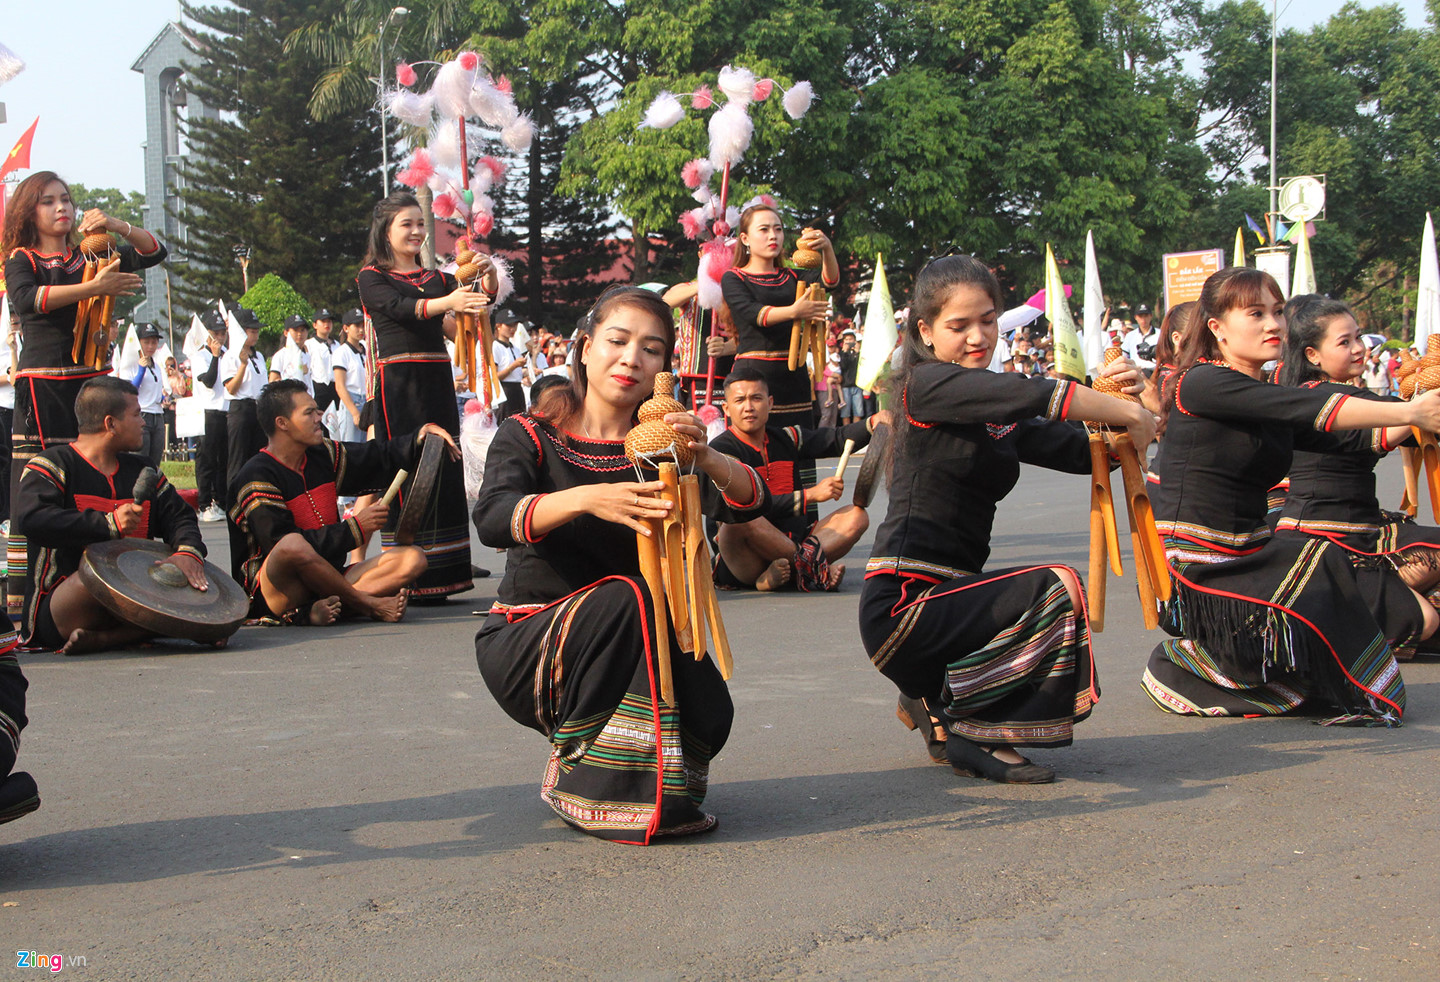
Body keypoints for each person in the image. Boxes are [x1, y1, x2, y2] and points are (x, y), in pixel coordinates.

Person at [473, 286, 768, 843]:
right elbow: (492, 518)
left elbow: (751, 501)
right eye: (618, 340)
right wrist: (587, 498)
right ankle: (587, 779)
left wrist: (704, 456)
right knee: (628, 598)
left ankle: (648, 782)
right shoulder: (531, 435)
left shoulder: (661, 450)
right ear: (585, 348)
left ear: (664, 367)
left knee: (710, 709)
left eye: (652, 349)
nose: (632, 357)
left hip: (638, 640)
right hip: (532, 645)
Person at [858, 255, 1156, 784]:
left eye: (989, 320)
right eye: (959, 325)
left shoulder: (995, 410)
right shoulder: (923, 387)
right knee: (1055, 587)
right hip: (904, 607)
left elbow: (1091, 452)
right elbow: (1037, 392)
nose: (979, 336)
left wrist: (1135, 399)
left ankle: (938, 698)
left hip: (960, 605)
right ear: (924, 331)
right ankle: (975, 730)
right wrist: (1126, 415)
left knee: (1040, 588)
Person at [1142, 268, 1440, 723]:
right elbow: (1310, 408)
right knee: (1320, 563)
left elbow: (1342, 437)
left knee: (1323, 570)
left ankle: (1294, 671)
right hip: (1200, 562)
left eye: (1278, 312)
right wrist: (1413, 408)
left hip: (1249, 549)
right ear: (1217, 328)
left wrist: (1418, 413)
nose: (1273, 324)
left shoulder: (1259, 393)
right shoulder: (1201, 383)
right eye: (1256, 313)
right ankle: (1192, 664)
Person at [1, 171, 167, 618]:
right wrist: (95, 288)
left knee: (90, 479)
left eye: (67, 200)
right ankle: (22, 603)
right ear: (29, 210)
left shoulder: (91, 255)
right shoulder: (21, 258)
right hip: (42, 388)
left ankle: (96, 584)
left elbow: (156, 252)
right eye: (48, 201)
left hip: (91, 385)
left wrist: (116, 224)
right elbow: (29, 299)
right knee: (32, 491)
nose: (62, 208)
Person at [1274, 295, 1440, 657]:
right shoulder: (1319, 401)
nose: (1359, 349)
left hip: (1366, 531)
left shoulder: (1345, 394)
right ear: (1312, 355)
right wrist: (1421, 405)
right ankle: (1328, 626)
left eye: (1358, 337)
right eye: (1344, 342)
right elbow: (1401, 420)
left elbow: (1408, 416)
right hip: (1325, 543)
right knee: (1424, 621)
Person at [356, 191, 493, 600]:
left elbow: (474, 306)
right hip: (398, 386)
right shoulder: (371, 277)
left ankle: (445, 569)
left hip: (436, 381)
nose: (417, 231)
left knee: (443, 464)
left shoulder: (437, 278)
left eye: (421, 224)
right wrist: (448, 302)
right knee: (404, 464)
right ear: (386, 231)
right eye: (407, 224)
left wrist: (485, 276)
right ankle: (402, 567)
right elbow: (400, 309)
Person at [229, 379, 452, 626]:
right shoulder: (255, 477)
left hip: (328, 578)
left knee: (413, 559)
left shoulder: (321, 453)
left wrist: (418, 438)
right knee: (291, 544)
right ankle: (368, 605)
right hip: (275, 591)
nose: (318, 418)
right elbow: (283, 548)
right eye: (309, 413)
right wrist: (355, 528)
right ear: (282, 423)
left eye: (317, 410)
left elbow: (372, 458)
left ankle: (318, 611)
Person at [13, 377, 209, 655]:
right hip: (66, 604)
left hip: (135, 595)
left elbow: (180, 517)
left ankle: (108, 638)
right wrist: (108, 524)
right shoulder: (52, 464)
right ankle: (156, 629)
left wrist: (188, 554)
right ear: (110, 423)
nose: (143, 422)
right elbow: (34, 520)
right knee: (91, 579)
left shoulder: (143, 468)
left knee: (193, 581)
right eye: (137, 414)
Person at [710, 366, 882, 591]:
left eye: (756, 398)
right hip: (744, 556)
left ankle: (796, 570)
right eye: (740, 400)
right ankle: (812, 569)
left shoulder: (786, 438)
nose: (749, 407)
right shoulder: (721, 452)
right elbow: (743, 510)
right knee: (741, 518)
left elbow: (835, 439)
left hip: (794, 542)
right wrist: (809, 496)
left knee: (856, 517)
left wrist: (872, 423)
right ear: (727, 409)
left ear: (770, 403)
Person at [720, 205, 839, 428]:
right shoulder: (733, 277)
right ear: (745, 238)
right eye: (764, 229)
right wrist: (795, 311)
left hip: (794, 374)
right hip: (753, 376)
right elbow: (753, 313)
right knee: (755, 451)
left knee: (800, 446)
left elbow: (829, 281)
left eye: (778, 229)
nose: (773, 235)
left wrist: (827, 249)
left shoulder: (792, 275)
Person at [220, 307, 269, 506]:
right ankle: (234, 500)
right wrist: (242, 365)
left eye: (256, 331)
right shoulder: (230, 356)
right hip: (240, 408)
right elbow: (231, 388)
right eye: (251, 331)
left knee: (258, 456)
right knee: (238, 458)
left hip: (257, 408)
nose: (255, 335)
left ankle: (256, 496)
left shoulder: (258, 356)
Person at [191, 312, 230, 522]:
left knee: (223, 460)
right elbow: (208, 380)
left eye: (223, 333)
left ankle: (221, 501)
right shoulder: (200, 356)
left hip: (225, 410)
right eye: (216, 333)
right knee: (206, 460)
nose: (220, 337)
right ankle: (204, 503)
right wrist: (214, 356)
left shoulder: (228, 354)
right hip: (207, 411)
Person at [117, 323, 167, 466]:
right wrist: (140, 371)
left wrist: (162, 397)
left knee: (155, 459)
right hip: (142, 413)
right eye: (146, 342)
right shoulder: (130, 365)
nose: (151, 346)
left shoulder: (156, 365)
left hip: (157, 414)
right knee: (140, 458)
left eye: (154, 342)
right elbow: (129, 391)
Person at [327, 309, 368, 443]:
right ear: (346, 328)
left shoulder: (366, 349)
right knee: (352, 445)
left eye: (363, 325)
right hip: (352, 401)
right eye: (357, 326)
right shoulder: (341, 352)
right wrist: (354, 412)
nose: (361, 329)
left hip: (367, 400)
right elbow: (340, 386)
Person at [491, 309, 526, 420]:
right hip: (504, 390)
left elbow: (517, 374)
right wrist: (513, 366)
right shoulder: (495, 346)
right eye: (509, 325)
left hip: (517, 390)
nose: (512, 329)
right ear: (499, 326)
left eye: (514, 325)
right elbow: (494, 376)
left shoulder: (515, 348)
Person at [268, 315, 312, 393]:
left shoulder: (307, 356)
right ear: (286, 333)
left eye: (302, 330)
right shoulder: (280, 355)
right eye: (295, 330)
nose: (299, 334)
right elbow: (273, 381)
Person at [306, 309, 338, 415]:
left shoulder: (337, 345)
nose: (327, 324)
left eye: (329, 321)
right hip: (318, 387)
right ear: (315, 325)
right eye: (323, 321)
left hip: (336, 387)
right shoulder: (309, 344)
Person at [1122, 303, 1159, 376]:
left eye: (1146, 316)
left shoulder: (1160, 334)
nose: (1143, 319)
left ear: (1151, 316)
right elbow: (1124, 356)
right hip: (1136, 372)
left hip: (1155, 372)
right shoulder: (1130, 336)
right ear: (1136, 317)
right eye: (1140, 316)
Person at [837, 331, 862, 425]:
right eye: (846, 340)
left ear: (854, 340)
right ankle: (846, 434)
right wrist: (845, 352)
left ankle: (856, 435)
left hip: (857, 385)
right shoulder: (842, 353)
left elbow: (861, 365)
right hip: (845, 386)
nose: (848, 341)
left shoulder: (859, 352)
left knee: (858, 412)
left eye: (850, 339)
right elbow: (843, 366)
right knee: (845, 413)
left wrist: (857, 352)